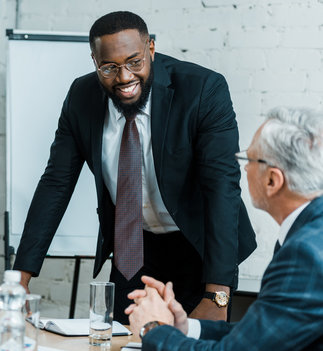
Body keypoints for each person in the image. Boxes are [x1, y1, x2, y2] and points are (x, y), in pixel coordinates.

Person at [13, 10, 256, 322]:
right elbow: (55, 184)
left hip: (198, 245)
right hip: (134, 246)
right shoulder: (80, 98)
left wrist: (217, 295)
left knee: (195, 348)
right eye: (109, 68)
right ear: (94, 62)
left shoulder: (203, 90)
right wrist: (19, 280)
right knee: (121, 344)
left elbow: (222, 187)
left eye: (134, 62)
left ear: (150, 50)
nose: (125, 77)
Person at [127, 107, 323, 351]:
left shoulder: (304, 253)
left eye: (249, 159)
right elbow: (262, 338)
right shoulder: (309, 233)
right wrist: (185, 327)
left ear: (273, 180)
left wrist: (152, 328)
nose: (244, 169)